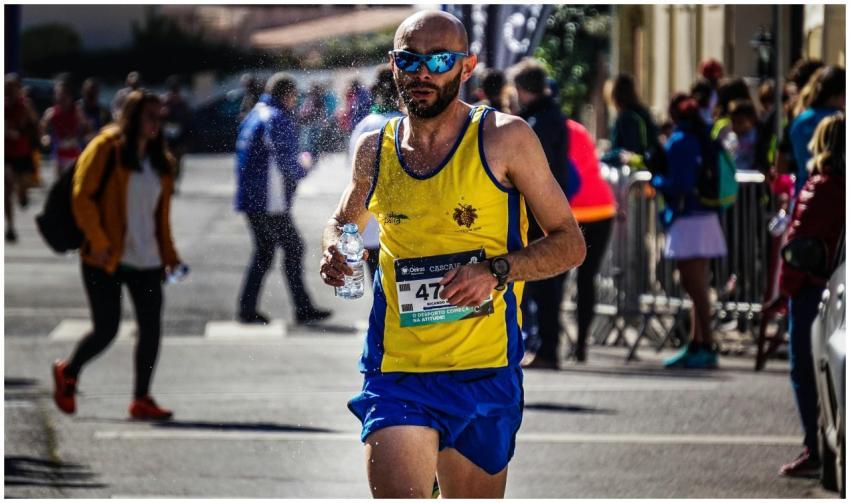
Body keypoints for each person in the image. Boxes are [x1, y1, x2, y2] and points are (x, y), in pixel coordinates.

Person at [319, 11, 585, 498]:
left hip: (481, 373)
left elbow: (569, 242)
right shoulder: (373, 148)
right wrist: (336, 250)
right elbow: (342, 223)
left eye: (439, 60)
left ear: (467, 66)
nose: (423, 71)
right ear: (393, 65)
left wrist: (496, 271)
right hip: (398, 372)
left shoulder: (505, 138)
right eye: (410, 59)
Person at [51, 90, 184, 420]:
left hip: (148, 259)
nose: (156, 123)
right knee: (106, 329)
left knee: (151, 329)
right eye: (150, 116)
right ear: (133, 116)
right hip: (104, 256)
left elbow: (160, 216)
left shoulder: (160, 160)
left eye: (160, 118)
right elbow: (81, 196)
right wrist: (97, 240)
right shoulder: (105, 147)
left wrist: (170, 255)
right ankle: (69, 371)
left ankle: (141, 398)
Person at [234, 72, 331, 326]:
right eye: (294, 97)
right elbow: (289, 164)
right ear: (287, 95)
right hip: (269, 201)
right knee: (292, 248)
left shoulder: (256, 113)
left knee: (268, 251)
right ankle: (300, 308)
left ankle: (252, 308)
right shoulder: (277, 118)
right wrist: (307, 164)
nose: (295, 102)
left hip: (254, 198)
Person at [778, 113, 845, 476]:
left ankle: (814, 448)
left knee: (806, 370)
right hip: (831, 281)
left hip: (815, 288)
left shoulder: (821, 186)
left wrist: (785, 288)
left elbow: (800, 243)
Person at [508, 58, 580, 370]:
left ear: (522, 89)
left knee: (543, 283)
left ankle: (548, 349)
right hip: (545, 204)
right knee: (542, 284)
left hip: (539, 208)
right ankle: (544, 346)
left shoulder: (537, 123)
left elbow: (534, 171)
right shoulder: (550, 116)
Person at [651, 94, 727, 369]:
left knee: (694, 287)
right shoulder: (705, 137)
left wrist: (656, 178)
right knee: (699, 287)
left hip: (688, 219)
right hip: (705, 217)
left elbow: (678, 183)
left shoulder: (681, 140)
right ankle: (698, 343)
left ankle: (706, 344)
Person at [563, 118, 617, 363]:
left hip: (573, 212)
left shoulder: (540, 129)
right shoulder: (579, 129)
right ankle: (581, 344)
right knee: (587, 279)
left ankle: (553, 343)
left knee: (554, 279)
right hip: (602, 208)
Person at [347, 66, 405, 283]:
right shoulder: (404, 126)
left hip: (367, 226)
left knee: (380, 294)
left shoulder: (363, 125)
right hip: (398, 229)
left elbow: (353, 178)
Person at [788, 65, 845, 195]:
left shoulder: (800, 119)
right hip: (833, 192)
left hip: (803, 191)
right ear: (835, 95)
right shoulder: (839, 121)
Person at [5, 73, 41, 243]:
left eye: (11, 88)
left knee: (21, 185)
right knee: (6, 187)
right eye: (5, 88)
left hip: (22, 152)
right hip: (5, 154)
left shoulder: (25, 106)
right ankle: (10, 227)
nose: (8, 91)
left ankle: (22, 194)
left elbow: (35, 125)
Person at [600, 73, 660, 169]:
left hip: (632, 173)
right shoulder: (644, 113)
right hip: (648, 168)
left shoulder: (626, 118)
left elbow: (627, 152)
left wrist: (604, 157)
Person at [41, 79, 88, 178]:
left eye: (64, 95)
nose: (60, 98)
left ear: (70, 96)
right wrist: (45, 137)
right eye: (58, 94)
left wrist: (82, 137)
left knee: (73, 185)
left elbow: (88, 127)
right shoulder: (51, 113)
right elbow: (42, 128)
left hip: (75, 154)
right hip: (58, 156)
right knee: (60, 185)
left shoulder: (77, 111)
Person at [161, 75, 192, 189]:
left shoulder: (182, 102)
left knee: (178, 160)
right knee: (168, 159)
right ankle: (168, 181)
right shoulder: (164, 101)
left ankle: (174, 181)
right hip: (167, 136)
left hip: (179, 136)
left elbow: (188, 120)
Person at [77, 78, 111, 146]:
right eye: (88, 93)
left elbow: (109, 131)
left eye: (93, 93)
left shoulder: (104, 112)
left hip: (98, 146)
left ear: (98, 93)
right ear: (83, 92)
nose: (91, 96)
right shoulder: (76, 109)